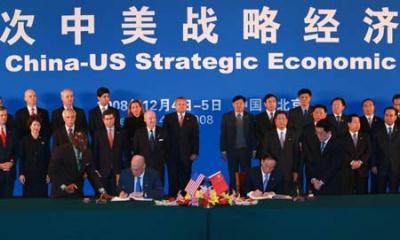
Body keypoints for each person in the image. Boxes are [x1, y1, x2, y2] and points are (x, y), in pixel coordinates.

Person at [48, 132, 107, 198]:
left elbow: (92, 173)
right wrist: (64, 187)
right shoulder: (60, 151)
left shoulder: (87, 153)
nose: (84, 147)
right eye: (81, 143)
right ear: (74, 142)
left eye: (85, 143)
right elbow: (52, 172)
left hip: (77, 194)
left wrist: (102, 191)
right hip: (60, 195)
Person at [163, 96, 199, 196]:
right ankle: (172, 196)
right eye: (179, 104)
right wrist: (165, 153)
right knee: (172, 176)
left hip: (187, 154)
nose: (181, 106)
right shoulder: (168, 118)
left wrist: (195, 152)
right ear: (175, 106)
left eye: (183, 104)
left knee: (186, 176)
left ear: (186, 105)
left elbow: (195, 137)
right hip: (171, 154)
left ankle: (186, 197)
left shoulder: (192, 118)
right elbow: (165, 137)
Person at [220, 95, 256, 191]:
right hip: (232, 150)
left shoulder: (250, 117)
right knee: (232, 172)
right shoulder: (226, 116)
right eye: (236, 103)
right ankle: (232, 192)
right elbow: (223, 134)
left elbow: (253, 134)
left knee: (246, 173)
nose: (238, 105)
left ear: (244, 104)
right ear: (233, 105)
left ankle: (245, 193)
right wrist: (223, 149)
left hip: (246, 150)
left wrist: (254, 149)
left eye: (241, 103)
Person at [262, 111, 299, 195]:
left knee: (288, 197)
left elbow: (297, 154)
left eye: (283, 119)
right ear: (275, 121)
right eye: (279, 119)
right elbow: (265, 152)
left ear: (287, 121)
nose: (281, 121)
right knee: (273, 197)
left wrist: (296, 171)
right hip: (273, 171)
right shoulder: (268, 135)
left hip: (289, 172)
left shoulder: (294, 134)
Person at [92, 109, 127, 195]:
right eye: (107, 119)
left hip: (118, 170)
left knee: (117, 196)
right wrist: (95, 170)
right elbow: (95, 152)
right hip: (102, 171)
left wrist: (125, 169)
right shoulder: (98, 133)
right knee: (102, 197)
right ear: (103, 120)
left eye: (111, 118)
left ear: (114, 119)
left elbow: (126, 151)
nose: (109, 121)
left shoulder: (122, 132)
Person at [133, 110, 167, 185]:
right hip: (144, 166)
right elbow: (136, 150)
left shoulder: (163, 131)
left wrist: (163, 160)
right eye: (149, 118)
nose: (152, 120)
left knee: (159, 187)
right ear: (145, 120)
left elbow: (167, 148)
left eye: (154, 118)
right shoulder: (139, 132)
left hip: (159, 166)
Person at [309, 119, 343, 195]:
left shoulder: (337, 145)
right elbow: (311, 164)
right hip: (316, 187)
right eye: (317, 133)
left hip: (332, 186)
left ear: (329, 132)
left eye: (321, 133)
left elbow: (334, 166)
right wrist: (314, 180)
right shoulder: (315, 144)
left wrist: (321, 182)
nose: (318, 136)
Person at [19, 116, 50, 197]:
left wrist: (48, 173)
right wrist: (21, 173)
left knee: (42, 199)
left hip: (42, 175)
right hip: (28, 175)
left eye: (38, 125)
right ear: (30, 126)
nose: (36, 127)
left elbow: (48, 158)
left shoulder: (44, 140)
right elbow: (21, 158)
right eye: (34, 125)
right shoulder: (24, 140)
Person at [339, 114, 371, 194]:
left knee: (362, 195)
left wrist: (360, 162)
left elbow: (369, 151)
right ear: (349, 124)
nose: (358, 124)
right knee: (347, 196)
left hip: (362, 171)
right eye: (355, 122)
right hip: (347, 170)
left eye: (359, 122)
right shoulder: (341, 137)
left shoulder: (365, 136)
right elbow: (341, 152)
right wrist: (352, 162)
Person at [372, 107, 400, 193]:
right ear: (384, 116)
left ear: (396, 117)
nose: (389, 117)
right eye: (386, 115)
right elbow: (373, 149)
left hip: (396, 167)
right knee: (380, 192)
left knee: (394, 192)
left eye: (391, 115)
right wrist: (373, 165)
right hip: (380, 167)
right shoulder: (377, 130)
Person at [301, 104, 328, 193]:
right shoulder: (306, 128)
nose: (319, 115)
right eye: (316, 113)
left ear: (325, 114)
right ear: (312, 114)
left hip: (327, 164)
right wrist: (311, 160)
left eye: (321, 113)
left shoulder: (331, 128)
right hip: (311, 164)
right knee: (311, 191)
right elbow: (305, 147)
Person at [359, 98, 384, 194]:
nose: (368, 108)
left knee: (377, 183)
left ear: (374, 107)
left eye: (370, 105)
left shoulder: (381, 121)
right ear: (362, 108)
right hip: (362, 155)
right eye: (365, 106)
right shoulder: (358, 120)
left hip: (377, 156)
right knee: (362, 183)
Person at [0, 106, 18, 198]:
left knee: (8, 203)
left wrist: (11, 162)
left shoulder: (12, 131)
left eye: (5, 115)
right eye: (1, 115)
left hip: (9, 174)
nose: (4, 117)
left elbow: (16, 150)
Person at [255, 94, 277, 158]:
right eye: (269, 101)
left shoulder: (282, 115)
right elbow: (257, 132)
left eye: (273, 101)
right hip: (263, 148)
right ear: (265, 104)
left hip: (279, 148)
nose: (272, 103)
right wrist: (266, 142)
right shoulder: (258, 117)